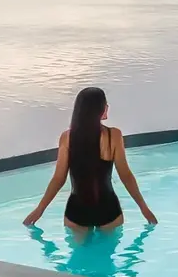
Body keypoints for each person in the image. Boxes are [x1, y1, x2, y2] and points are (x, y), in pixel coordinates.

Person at [23, 87, 157, 231]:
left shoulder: (67, 138)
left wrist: (40, 210)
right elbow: (125, 175)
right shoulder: (114, 136)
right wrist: (144, 208)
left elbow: (58, 179)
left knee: (79, 253)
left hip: (77, 211)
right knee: (106, 253)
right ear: (102, 108)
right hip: (109, 209)